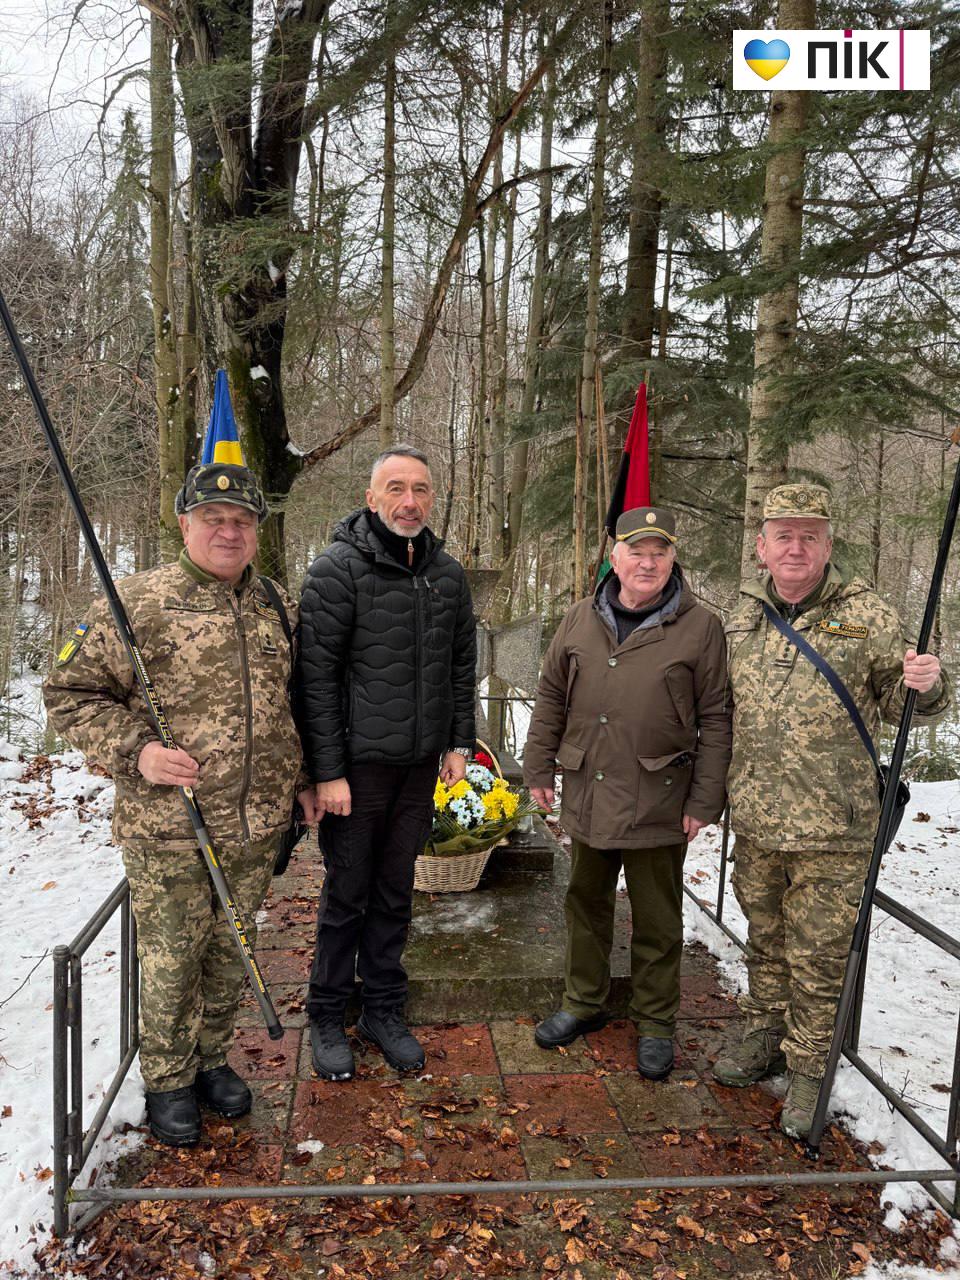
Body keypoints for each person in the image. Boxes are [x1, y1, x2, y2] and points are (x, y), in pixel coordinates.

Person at [44, 463, 314, 1146]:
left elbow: (297, 704)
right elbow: (68, 694)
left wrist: (304, 779)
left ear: (257, 531)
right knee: (172, 961)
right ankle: (167, 1079)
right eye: (213, 519)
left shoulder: (277, 605)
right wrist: (137, 751)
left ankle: (211, 1060)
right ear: (185, 525)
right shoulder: (135, 602)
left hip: (256, 824)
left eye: (242, 520)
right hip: (169, 827)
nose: (229, 531)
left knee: (231, 951)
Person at [714, 482, 951, 1138]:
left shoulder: (868, 615)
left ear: (827, 544)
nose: (796, 548)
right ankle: (764, 1032)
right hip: (757, 818)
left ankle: (810, 1064)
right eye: (783, 536)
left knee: (818, 954)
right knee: (765, 938)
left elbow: (907, 702)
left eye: (809, 536)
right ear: (762, 547)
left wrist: (928, 685)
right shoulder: (740, 616)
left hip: (835, 826)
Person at [523, 508, 731, 1080]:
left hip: (659, 798)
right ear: (614, 558)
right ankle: (582, 1002)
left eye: (659, 553)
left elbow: (716, 717)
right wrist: (537, 766)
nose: (647, 563)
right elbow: (551, 697)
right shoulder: (579, 618)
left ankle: (656, 1021)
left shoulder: (701, 626)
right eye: (636, 551)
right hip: (589, 790)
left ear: (672, 560)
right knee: (585, 904)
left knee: (658, 918)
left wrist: (704, 801)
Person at [296, 443, 476, 1080]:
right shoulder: (336, 571)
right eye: (396, 488)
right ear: (370, 498)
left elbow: (460, 665)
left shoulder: (446, 574)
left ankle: (382, 1007)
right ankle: (326, 1012)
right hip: (357, 769)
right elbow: (315, 679)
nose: (409, 501)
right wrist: (327, 771)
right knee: (348, 892)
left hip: (419, 766)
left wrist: (458, 744)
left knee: (396, 891)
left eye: (420, 489)